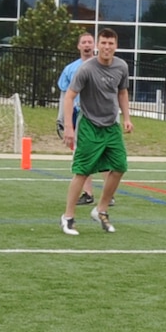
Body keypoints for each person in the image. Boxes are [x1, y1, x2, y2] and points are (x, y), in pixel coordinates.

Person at [58, 27, 133, 236]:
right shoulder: (86, 69)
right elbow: (69, 96)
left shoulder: (121, 66)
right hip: (90, 125)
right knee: (82, 171)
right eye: (103, 43)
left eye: (111, 43)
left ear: (116, 46)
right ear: (98, 46)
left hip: (111, 126)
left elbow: (123, 92)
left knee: (119, 166)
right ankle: (68, 217)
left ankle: (100, 209)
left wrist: (126, 118)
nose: (107, 47)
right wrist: (69, 128)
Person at [57, 32, 97, 205]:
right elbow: (65, 95)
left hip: (100, 116)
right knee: (82, 153)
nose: (87, 45)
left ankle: (108, 195)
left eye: (90, 42)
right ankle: (88, 193)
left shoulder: (103, 66)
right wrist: (64, 120)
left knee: (106, 154)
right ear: (79, 46)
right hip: (79, 116)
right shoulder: (71, 69)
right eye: (84, 42)